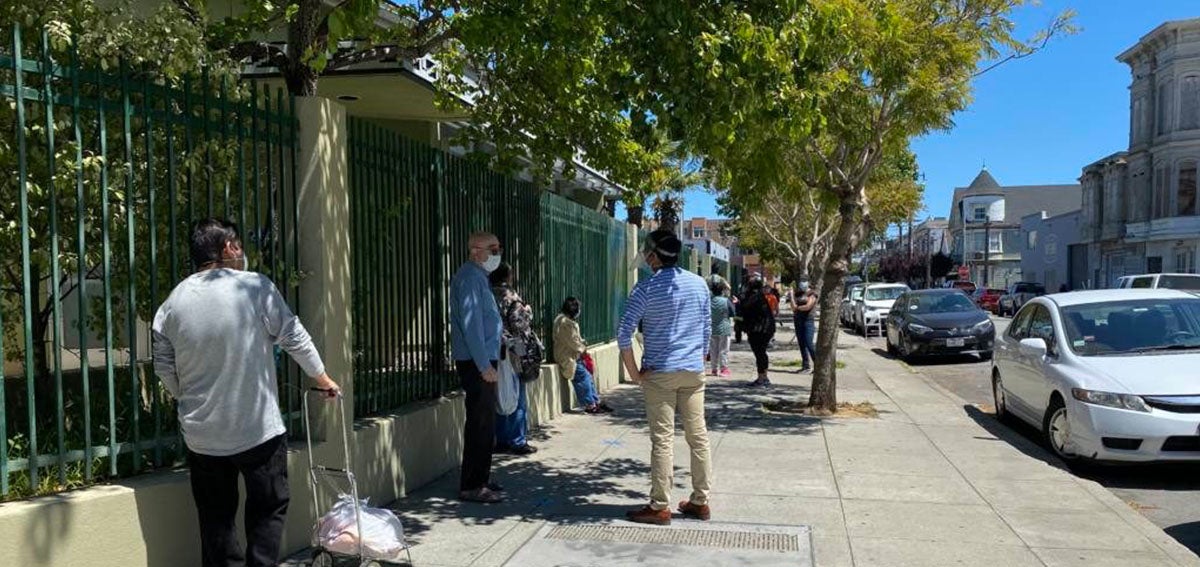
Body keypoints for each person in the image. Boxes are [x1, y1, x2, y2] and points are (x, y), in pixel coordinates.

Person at [151, 218, 340, 567]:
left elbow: (163, 367)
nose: (242, 252)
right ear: (228, 248)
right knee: (268, 508)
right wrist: (322, 378)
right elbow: (293, 335)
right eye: (238, 244)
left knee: (215, 517)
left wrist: (186, 398)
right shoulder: (255, 288)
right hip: (257, 430)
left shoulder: (171, 304)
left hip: (202, 434)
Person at [618, 230, 713, 526]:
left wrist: (635, 375)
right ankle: (700, 501)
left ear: (654, 256)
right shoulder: (699, 284)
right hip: (693, 370)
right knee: (698, 437)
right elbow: (706, 328)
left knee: (662, 440)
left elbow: (624, 334)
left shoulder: (645, 289)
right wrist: (699, 358)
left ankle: (660, 505)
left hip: (660, 373)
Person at [450, 231, 506, 503]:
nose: (497, 253)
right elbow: (471, 327)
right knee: (480, 423)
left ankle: (480, 478)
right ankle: (472, 484)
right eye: (491, 248)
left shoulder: (478, 277)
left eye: (498, 248)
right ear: (475, 251)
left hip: (482, 359)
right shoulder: (470, 278)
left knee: (486, 422)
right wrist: (484, 365)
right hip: (476, 361)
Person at [489, 263, 540, 456]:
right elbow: (520, 327)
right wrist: (528, 313)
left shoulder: (487, 295)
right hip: (512, 353)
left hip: (494, 351)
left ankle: (501, 439)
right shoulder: (512, 298)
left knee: (499, 394)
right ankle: (518, 440)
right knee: (518, 396)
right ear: (508, 276)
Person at [553, 297, 614, 414]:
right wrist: (583, 348)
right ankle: (589, 404)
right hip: (567, 357)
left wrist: (582, 343)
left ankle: (595, 401)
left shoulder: (566, 321)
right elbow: (572, 342)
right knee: (583, 377)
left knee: (588, 376)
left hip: (574, 356)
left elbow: (575, 339)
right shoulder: (564, 323)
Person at [741, 277, 776, 388]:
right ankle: (763, 377)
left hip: (760, 330)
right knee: (761, 353)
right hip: (765, 328)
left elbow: (745, 308)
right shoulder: (760, 296)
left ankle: (762, 378)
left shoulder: (754, 297)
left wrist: (738, 302)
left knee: (760, 353)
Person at [790, 281, 818, 373]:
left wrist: (797, 308)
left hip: (808, 321)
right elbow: (792, 307)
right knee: (801, 343)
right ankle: (806, 365)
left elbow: (808, 306)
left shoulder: (812, 294)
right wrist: (791, 295)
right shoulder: (798, 294)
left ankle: (817, 365)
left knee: (808, 343)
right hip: (798, 320)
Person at [709, 281, 735, 378]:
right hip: (724, 328)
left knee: (713, 350)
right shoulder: (726, 301)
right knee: (723, 350)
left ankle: (714, 369)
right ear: (722, 291)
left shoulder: (709, 301)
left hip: (712, 328)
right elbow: (733, 313)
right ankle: (723, 369)